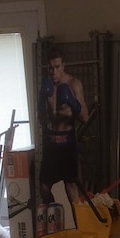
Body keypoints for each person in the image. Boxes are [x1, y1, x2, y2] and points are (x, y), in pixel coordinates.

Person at [37, 47, 89, 212]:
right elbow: (41, 120)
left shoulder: (73, 84)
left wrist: (72, 102)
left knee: (72, 189)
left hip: (67, 142)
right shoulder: (46, 86)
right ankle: (56, 222)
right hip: (51, 142)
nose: (53, 71)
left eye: (57, 67)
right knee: (44, 188)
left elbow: (85, 117)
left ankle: (80, 228)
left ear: (63, 65)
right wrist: (41, 102)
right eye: (50, 68)